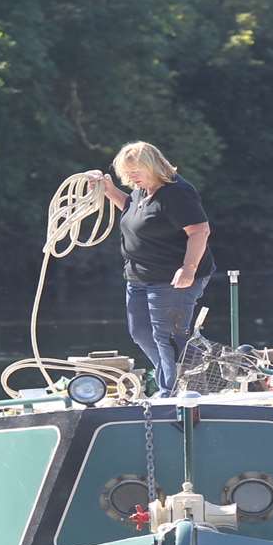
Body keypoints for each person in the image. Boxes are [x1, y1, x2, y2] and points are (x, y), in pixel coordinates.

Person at [85, 142, 215, 395]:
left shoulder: (177, 192)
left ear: (153, 166)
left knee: (167, 336)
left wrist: (188, 268)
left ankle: (171, 388)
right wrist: (109, 189)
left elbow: (200, 230)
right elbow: (131, 210)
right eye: (127, 172)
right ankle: (179, 377)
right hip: (139, 276)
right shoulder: (141, 192)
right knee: (141, 332)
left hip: (172, 278)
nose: (131, 176)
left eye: (136, 170)